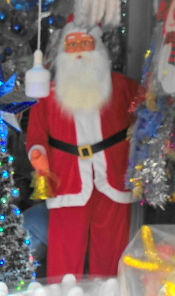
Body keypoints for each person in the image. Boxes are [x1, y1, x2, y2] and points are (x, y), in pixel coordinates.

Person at [26, 23, 138, 278]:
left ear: (98, 48)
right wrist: (37, 153)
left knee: (112, 247)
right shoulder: (48, 94)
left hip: (113, 174)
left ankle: (109, 295)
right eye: (72, 44)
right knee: (65, 248)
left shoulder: (123, 87)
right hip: (67, 177)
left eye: (85, 43)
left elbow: (145, 121)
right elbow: (36, 134)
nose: (78, 51)